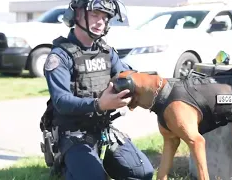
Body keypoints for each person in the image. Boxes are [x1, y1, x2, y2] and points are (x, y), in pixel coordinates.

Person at [41, 0, 154, 179]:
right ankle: (66, 166)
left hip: (103, 130)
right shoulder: (59, 56)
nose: (101, 21)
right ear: (77, 14)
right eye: (95, 14)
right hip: (72, 134)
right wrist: (99, 104)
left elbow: (127, 77)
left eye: (105, 17)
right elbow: (61, 102)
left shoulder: (107, 52)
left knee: (143, 173)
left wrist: (153, 86)